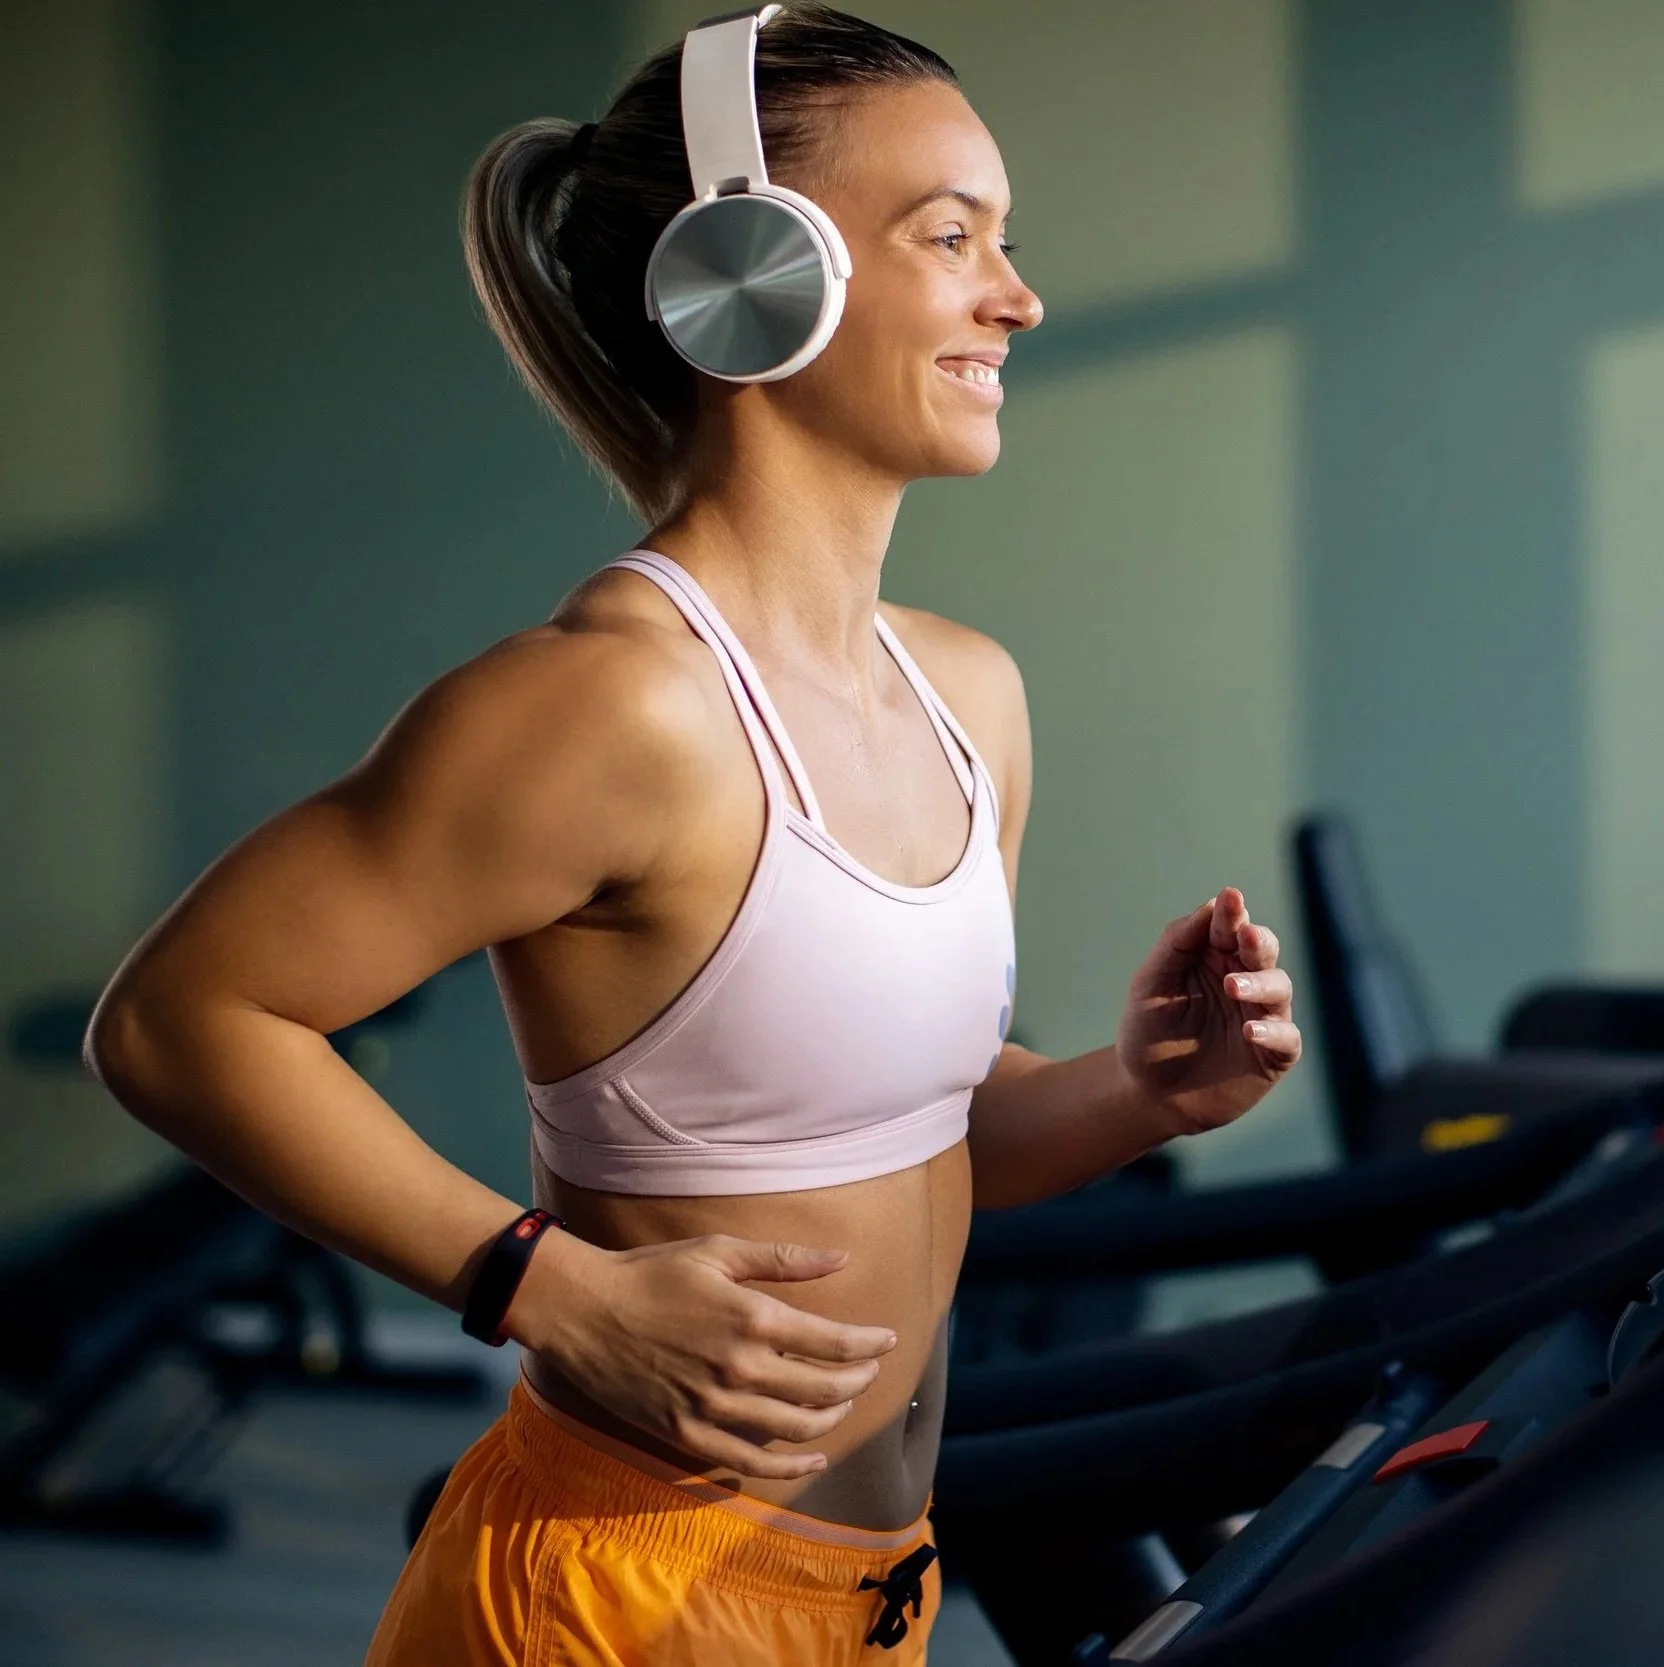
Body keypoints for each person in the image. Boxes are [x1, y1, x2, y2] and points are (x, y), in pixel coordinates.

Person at [83, 8, 1301, 1662]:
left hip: (866, 1596)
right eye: (951, 237)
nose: (1017, 297)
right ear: (755, 270)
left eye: (1005, 242)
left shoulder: (970, 695)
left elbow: (917, 1137)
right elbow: (177, 1017)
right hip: (610, 1598)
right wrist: (540, 1281)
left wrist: (1145, 1088)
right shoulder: (613, 704)